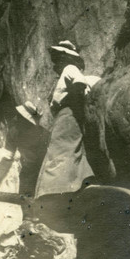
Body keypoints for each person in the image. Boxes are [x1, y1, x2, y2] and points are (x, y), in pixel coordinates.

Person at [35, 40, 96, 200]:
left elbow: (80, 84)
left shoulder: (70, 68)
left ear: (66, 57)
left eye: (58, 57)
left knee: (62, 148)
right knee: (64, 148)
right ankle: (67, 186)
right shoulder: (66, 71)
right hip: (66, 114)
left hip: (68, 113)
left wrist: (74, 106)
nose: (55, 62)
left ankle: (58, 190)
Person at [6, 101, 49, 198]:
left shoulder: (44, 134)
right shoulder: (15, 131)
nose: (17, 119)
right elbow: (8, 154)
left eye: (20, 117)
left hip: (39, 173)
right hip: (24, 173)